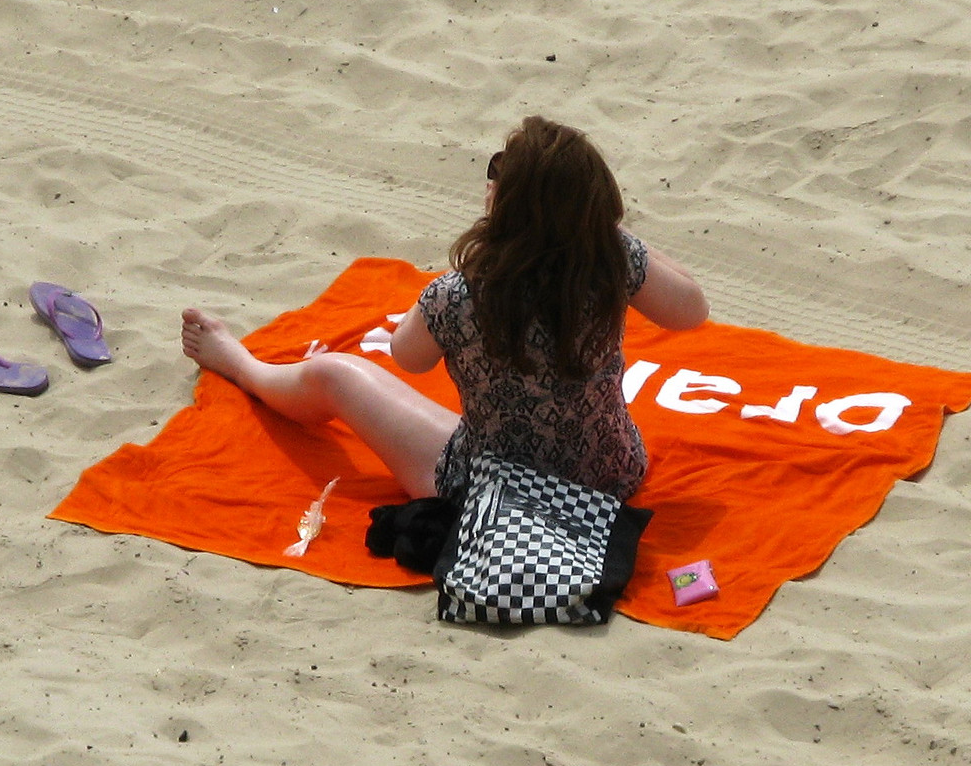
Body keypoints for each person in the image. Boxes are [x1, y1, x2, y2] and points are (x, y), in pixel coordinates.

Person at [181, 115, 709, 502]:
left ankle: (241, 365)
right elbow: (691, 310)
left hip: (496, 492)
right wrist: (601, 232)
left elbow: (407, 357)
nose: (490, 178)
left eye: (499, 172)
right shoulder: (609, 263)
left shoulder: (459, 294)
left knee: (335, 374)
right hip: (612, 477)